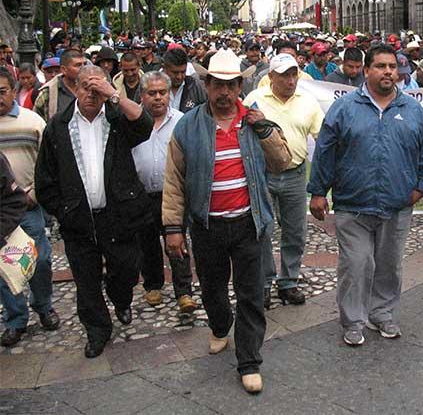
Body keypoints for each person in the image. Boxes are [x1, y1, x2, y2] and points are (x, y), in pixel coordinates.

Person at [162, 49, 291, 394]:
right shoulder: (188, 126)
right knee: (212, 289)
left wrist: (263, 127)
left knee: (251, 293)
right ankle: (221, 326)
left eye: (230, 85)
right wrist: (173, 229)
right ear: (206, 85)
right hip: (207, 226)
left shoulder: (254, 121)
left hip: (249, 224)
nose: (223, 93)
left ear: (239, 86)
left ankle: (249, 361)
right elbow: (174, 179)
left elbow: (282, 161)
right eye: (216, 85)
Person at [308, 44, 423, 347]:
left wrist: (420, 187)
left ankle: (383, 313)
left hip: (396, 206)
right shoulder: (345, 107)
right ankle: (353, 320)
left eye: (392, 66)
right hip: (354, 204)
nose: (388, 71)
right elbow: (325, 150)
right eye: (380, 66)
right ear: (367, 71)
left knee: (390, 265)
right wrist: (317, 192)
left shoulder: (412, 110)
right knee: (356, 264)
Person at [35, 64, 154, 358]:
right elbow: (45, 180)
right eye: (85, 86)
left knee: (126, 268)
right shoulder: (58, 126)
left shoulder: (117, 119)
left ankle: (121, 298)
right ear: (74, 88)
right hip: (79, 220)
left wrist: (113, 94)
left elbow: (145, 124)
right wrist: (63, 210)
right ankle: (97, 330)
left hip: (118, 216)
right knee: (86, 282)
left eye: (96, 87)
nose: (91, 93)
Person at [244, 53, 324, 308]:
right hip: (262, 175)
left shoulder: (308, 101)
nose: (291, 81)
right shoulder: (255, 100)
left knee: (295, 231)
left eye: (294, 75)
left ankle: (288, 281)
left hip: (295, 174)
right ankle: (265, 282)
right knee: (262, 230)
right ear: (271, 77)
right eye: (285, 75)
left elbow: (322, 137)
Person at [0, 69, 59, 347]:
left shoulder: (32, 121)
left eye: (2, 91)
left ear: (13, 91)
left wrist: (37, 192)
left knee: (40, 260)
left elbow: (48, 161)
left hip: (28, 205)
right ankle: (15, 318)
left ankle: (44, 305)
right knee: (4, 267)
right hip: (1, 212)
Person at [131, 71, 196, 313]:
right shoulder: (132, 121)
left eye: (162, 93)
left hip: (174, 194)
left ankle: (184, 291)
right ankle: (153, 284)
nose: (158, 98)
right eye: (152, 93)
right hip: (142, 194)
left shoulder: (181, 121)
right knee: (147, 243)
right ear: (142, 95)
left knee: (177, 242)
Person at [33, 48, 83, 122]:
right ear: (64, 70)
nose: (83, 68)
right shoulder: (47, 93)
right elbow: (37, 122)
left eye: (84, 64)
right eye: (77, 65)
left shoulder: (91, 88)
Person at [163, 47, 207, 113]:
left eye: (183, 72)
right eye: (175, 73)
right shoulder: (154, 87)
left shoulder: (196, 87)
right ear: (164, 68)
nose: (179, 77)